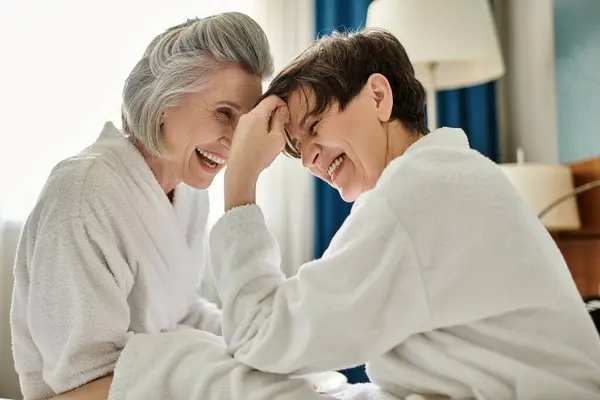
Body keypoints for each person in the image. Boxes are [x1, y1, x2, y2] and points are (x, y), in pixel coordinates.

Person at [208, 28, 600, 399]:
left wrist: (240, 182)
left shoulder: (418, 195)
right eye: (297, 146)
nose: (309, 158)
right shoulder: (447, 176)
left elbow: (258, 336)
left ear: (378, 96)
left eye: (314, 126)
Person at [11, 13, 336, 400]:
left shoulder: (189, 193)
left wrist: (270, 345)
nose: (234, 143)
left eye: (245, 123)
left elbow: (177, 314)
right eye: (223, 113)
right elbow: (79, 382)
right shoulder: (84, 195)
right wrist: (210, 367)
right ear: (165, 100)